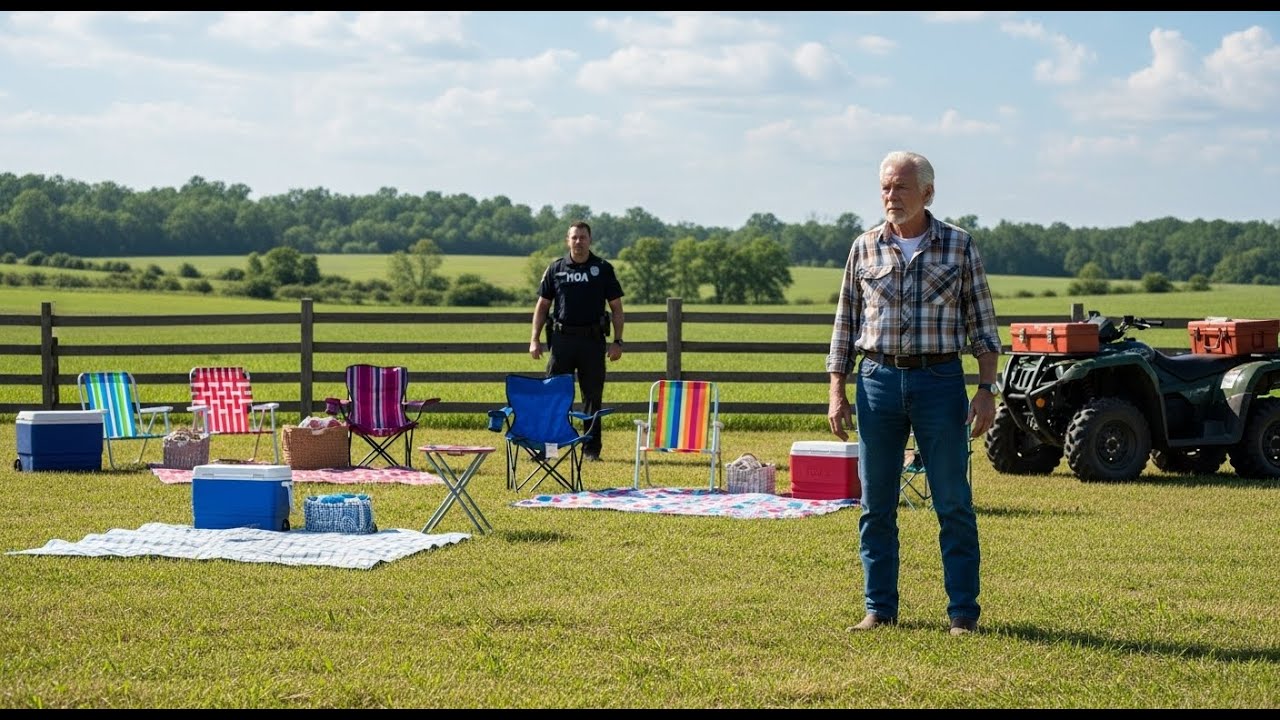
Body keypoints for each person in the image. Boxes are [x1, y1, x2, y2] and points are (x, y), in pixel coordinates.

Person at [826, 150, 1001, 636]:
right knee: (874, 505)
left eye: (900, 187)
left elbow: (983, 327)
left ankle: (962, 613)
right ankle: (878, 608)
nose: (890, 196)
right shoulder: (863, 248)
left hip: (940, 382)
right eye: (885, 187)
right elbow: (845, 325)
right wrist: (837, 389)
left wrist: (986, 390)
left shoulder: (959, 246)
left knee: (953, 503)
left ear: (927, 192)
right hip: (877, 383)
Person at [529, 220, 625, 461]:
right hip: (562, 341)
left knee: (592, 398)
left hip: (593, 342)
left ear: (590, 240)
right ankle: (550, 449)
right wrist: (534, 339)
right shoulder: (556, 269)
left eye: (583, 237)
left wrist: (618, 341)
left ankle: (591, 451)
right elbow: (542, 306)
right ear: (567, 240)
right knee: (555, 395)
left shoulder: (603, 269)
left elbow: (616, 308)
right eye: (574, 237)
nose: (578, 242)